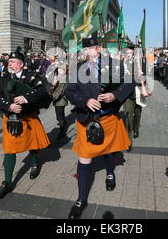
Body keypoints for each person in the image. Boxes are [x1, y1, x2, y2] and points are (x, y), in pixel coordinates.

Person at [64, 36, 136, 219]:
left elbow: (130, 83)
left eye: (90, 49)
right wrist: (85, 101)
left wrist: (114, 95)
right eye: (85, 50)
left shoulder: (113, 65)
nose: (87, 52)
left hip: (108, 117)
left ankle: (110, 173)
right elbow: (69, 91)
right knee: (84, 158)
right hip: (87, 120)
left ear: (98, 49)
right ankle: (81, 199)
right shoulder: (78, 69)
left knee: (110, 151)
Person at [0, 47, 52, 200]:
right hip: (11, 118)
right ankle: (7, 183)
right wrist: (8, 106)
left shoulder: (32, 75)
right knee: (9, 150)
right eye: (9, 61)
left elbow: (44, 90)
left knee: (33, 144)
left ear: (20, 64)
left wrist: (26, 99)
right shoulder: (4, 78)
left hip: (28, 117)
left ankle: (35, 164)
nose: (9, 63)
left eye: (12, 61)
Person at [122, 44, 151, 151]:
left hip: (138, 91)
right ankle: (128, 140)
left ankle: (136, 128)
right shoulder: (122, 63)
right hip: (127, 93)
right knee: (128, 115)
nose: (128, 54)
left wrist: (146, 87)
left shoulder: (141, 63)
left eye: (130, 53)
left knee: (137, 113)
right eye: (126, 52)